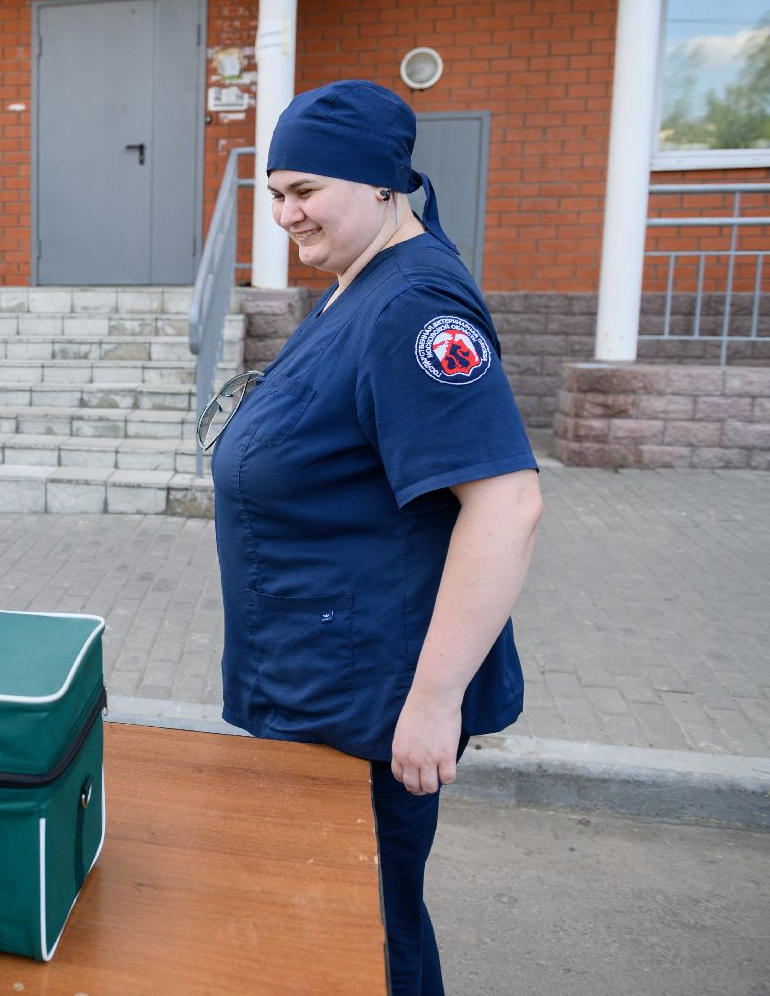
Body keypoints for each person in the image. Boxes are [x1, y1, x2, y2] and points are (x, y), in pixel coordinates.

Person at [205, 81, 542, 995]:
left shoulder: (411, 309)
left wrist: (433, 705)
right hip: (318, 681)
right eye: (274, 193)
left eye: (305, 190)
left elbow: (505, 503)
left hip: (370, 705)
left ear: (385, 183)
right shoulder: (358, 284)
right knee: (345, 919)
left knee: (364, 937)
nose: (285, 214)